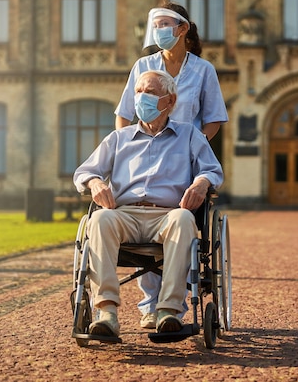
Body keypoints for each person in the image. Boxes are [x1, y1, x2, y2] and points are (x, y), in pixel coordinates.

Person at [73, 70, 223, 337]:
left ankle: (168, 311)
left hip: (167, 215)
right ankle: (106, 312)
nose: (142, 97)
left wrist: (201, 183)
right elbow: (84, 172)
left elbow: (212, 170)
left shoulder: (189, 135)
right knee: (99, 220)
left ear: (170, 101)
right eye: (139, 92)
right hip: (125, 215)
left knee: (184, 219)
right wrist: (95, 183)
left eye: (150, 92)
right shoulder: (119, 138)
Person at [114, 1, 228, 329]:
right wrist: (127, 151)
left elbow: (214, 120)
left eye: (166, 24)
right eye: (156, 25)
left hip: (184, 159)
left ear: (182, 29)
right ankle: (150, 304)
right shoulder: (143, 66)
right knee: (140, 204)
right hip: (144, 152)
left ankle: (169, 305)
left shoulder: (203, 70)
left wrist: (192, 150)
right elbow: (125, 114)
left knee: (175, 219)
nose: (160, 31)